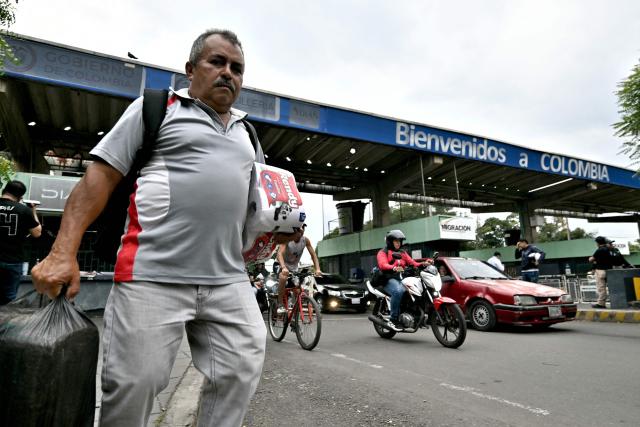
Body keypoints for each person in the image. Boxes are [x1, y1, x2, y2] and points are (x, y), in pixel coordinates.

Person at [32, 29, 270, 427]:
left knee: (239, 374)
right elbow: (99, 178)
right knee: (134, 386)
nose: (228, 73)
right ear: (191, 68)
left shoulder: (248, 133)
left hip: (229, 279)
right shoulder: (158, 108)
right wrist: (62, 251)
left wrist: (280, 229)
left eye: (237, 68)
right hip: (151, 276)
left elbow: (259, 201)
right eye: (217, 62)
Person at [376, 229, 431, 331]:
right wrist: (392, 267)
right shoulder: (383, 252)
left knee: (419, 289)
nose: (398, 243)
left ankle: (418, 316)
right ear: (390, 241)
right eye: (396, 241)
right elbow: (383, 264)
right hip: (388, 279)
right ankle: (393, 319)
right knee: (398, 291)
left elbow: (412, 262)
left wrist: (424, 264)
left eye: (399, 241)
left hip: (402, 278)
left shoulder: (402, 252)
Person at [0, 180, 42, 305]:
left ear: (4, 190)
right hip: (12, 260)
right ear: (20, 197)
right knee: (9, 298)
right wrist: (33, 210)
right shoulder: (24, 211)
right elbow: (37, 233)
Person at [276, 223, 321, 306]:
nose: (301, 233)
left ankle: (295, 313)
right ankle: (280, 303)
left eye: (303, 230)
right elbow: (279, 254)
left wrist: (317, 269)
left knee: (297, 291)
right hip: (281, 265)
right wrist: (283, 267)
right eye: (299, 230)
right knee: (283, 276)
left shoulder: (305, 240)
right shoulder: (288, 238)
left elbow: (313, 255)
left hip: (293, 268)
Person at [588, 236, 614, 308]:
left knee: (601, 288)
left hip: (600, 271)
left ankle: (601, 303)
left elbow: (591, 259)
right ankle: (614, 302)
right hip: (609, 270)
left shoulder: (599, 250)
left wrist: (590, 258)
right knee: (612, 287)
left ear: (598, 243)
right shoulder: (608, 249)